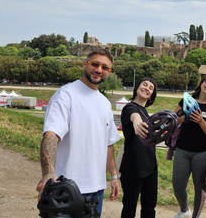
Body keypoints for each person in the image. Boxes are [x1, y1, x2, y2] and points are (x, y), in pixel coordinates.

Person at [36, 48, 121, 217]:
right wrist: (48, 174)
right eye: (95, 64)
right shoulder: (66, 94)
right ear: (85, 64)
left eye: (105, 67)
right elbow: (51, 134)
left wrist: (113, 176)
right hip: (66, 188)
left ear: (108, 72)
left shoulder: (104, 103)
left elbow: (108, 144)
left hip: (96, 189)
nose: (99, 70)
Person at [172, 75, 206, 218]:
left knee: (200, 189)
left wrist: (201, 121)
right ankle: (184, 210)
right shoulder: (186, 101)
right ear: (201, 83)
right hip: (182, 150)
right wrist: (184, 117)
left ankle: (195, 216)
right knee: (178, 185)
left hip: (202, 152)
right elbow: (173, 121)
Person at [119, 77, 158, 218]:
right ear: (137, 87)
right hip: (133, 166)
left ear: (152, 95)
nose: (147, 88)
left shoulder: (146, 113)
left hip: (150, 166)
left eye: (151, 88)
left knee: (149, 207)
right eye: (145, 85)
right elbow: (134, 117)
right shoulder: (130, 108)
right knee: (130, 207)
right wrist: (137, 123)